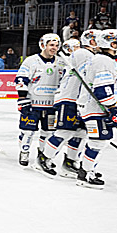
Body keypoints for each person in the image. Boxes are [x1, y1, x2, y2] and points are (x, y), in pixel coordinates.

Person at [72, 29, 117, 187]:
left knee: (99, 141)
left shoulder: (101, 59)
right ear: (112, 43)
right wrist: (113, 107)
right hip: (94, 108)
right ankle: (85, 174)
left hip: (92, 106)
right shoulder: (104, 61)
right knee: (98, 141)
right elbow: (102, 89)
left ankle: (86, 169)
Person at [40, 34, 94, 177]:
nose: (76, 49)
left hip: (80, 100)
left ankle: (70, 161)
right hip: (69, 98)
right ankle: (44, 158)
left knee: (80, 133)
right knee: (65, 132)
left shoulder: (81, 56)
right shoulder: (82, 54)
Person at [15, 33, 65, 168]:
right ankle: (24, 151)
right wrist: (22, 99)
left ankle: (42, 155)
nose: (54, 48)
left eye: (56, 45)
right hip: (32, 103)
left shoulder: (61, 62)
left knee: (48, 132)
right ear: (43, 45)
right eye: (51, 45)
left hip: (52, 105)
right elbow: (21, 80)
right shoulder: (31, 61)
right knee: (28, 131)